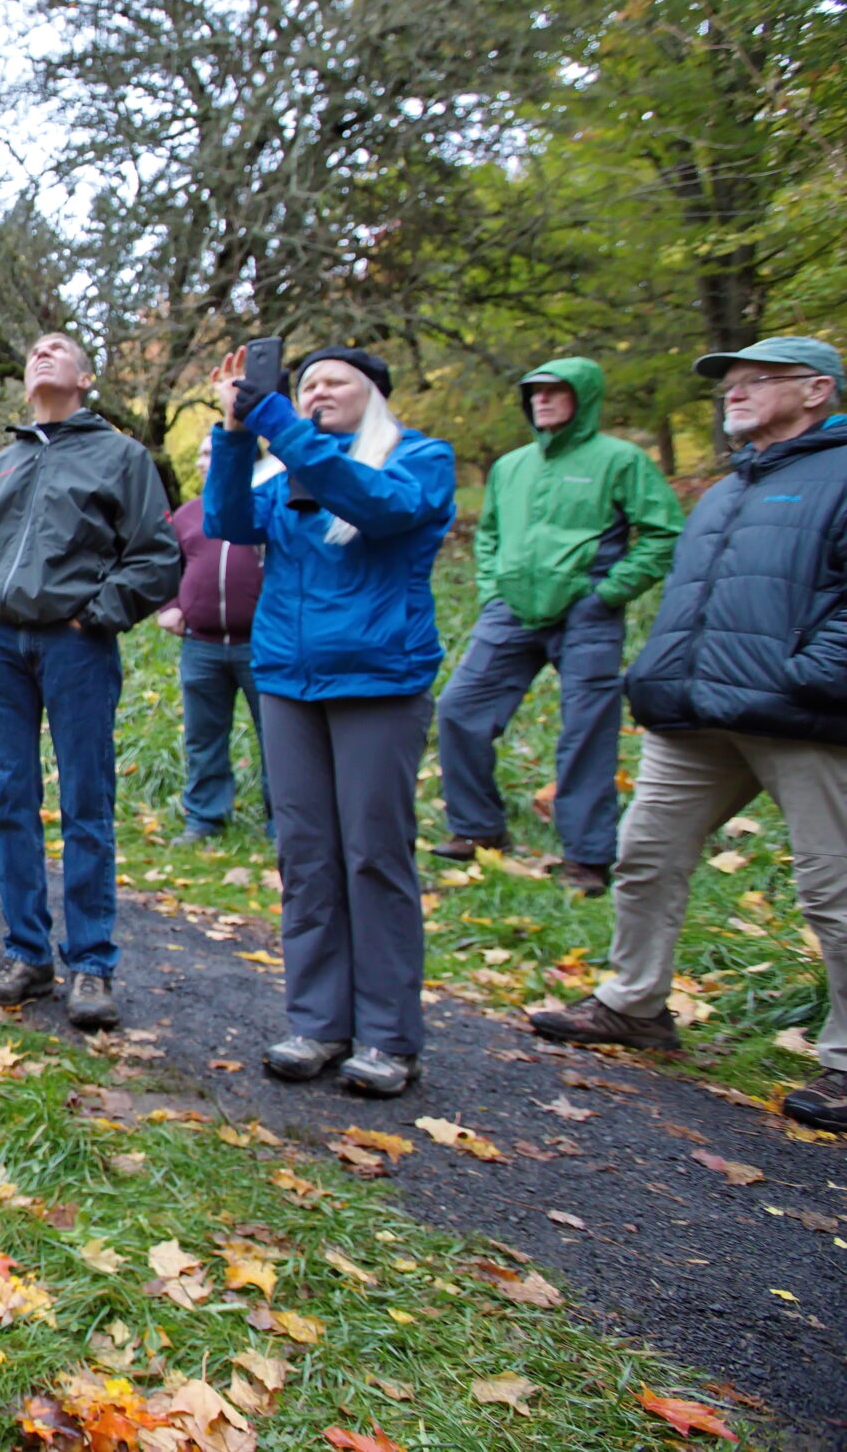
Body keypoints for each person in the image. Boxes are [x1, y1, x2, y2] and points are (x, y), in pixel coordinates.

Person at [530, 336, 847, 1134]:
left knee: (834, 886)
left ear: (816, 391)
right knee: (644, 854)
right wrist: (659, 670)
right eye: (729, 383)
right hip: (696, 710)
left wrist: (810, 673)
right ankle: (634, 1004)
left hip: (802, 714)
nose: (733, 392)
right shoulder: (727, 487)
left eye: (755, 381)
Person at [204, 344, 456, 1097]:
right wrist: (237, 434)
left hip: (379, 680)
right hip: (288, 678)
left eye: (332, 383)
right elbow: (227, 519)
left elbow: (377, 507)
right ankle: (317, 1022)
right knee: (306, 854)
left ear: (374, 395)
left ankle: (387, 1036)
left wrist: (277, 417)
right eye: (305, 383)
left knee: (375, 855)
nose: (315, 392)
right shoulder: (286, 468)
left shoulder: (418, 458)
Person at [0, 332, 180, 1031]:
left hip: (76, 644)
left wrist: (97, 613)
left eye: (59, 349)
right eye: (34, 352)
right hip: (0, 643)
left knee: (87, 799)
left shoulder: (120, 456)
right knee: (9, 798)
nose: (42, 355)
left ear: (86, 378)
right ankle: (27, 955)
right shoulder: (3, 463)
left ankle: (92, 965)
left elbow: (157, 556)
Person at [433, 358, 684, 893]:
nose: (542, 401)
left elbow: (663, 532)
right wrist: (492, 588)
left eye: (555, 392)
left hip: (587, 613)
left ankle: (588, 856)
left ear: (583, 397)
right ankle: (477, 828)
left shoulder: (620, 460)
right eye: (534, 393)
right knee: (460, 709)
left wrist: (610, 592)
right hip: (511, 610)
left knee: (586, 730)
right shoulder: (511, 466)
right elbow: (489, 533)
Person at [160, 439, 272, 844]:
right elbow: (168, 564)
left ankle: (282, 820)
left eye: (213, 453)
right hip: (201, 643)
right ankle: (205, 817)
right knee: (203, 735)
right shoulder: (188, 515)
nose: (204, 461)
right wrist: (170, 604)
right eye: (202, 453)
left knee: (276, 734)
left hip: (261, 642)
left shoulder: (267, 507)